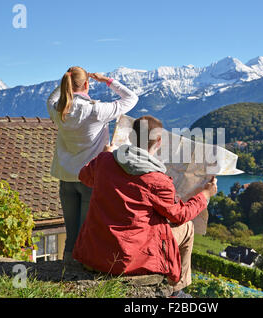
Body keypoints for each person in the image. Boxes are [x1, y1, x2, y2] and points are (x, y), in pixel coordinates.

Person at [73, 115, 218, 298]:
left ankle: (176, 289)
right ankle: (176, 290)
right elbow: (180, 215)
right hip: (127, 261)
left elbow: (84, 176)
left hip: (94, 254)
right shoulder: (158, 180)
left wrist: (105, 153)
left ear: (131, 136)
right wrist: (205, 195)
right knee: (187, 227)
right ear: (159, 141)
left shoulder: (105, 161)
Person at [46, 66, 139, 264]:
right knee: (87, 230)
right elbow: (131, 98)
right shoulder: (97, 110)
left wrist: (66, 83)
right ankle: (81, 272)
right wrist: (106, 80)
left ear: (66, 85)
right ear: (87, 84)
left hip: (66, 179)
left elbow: (51, 100)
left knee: (71, 233)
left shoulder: (58, 111)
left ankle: (66, 268)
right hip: (90, 177)